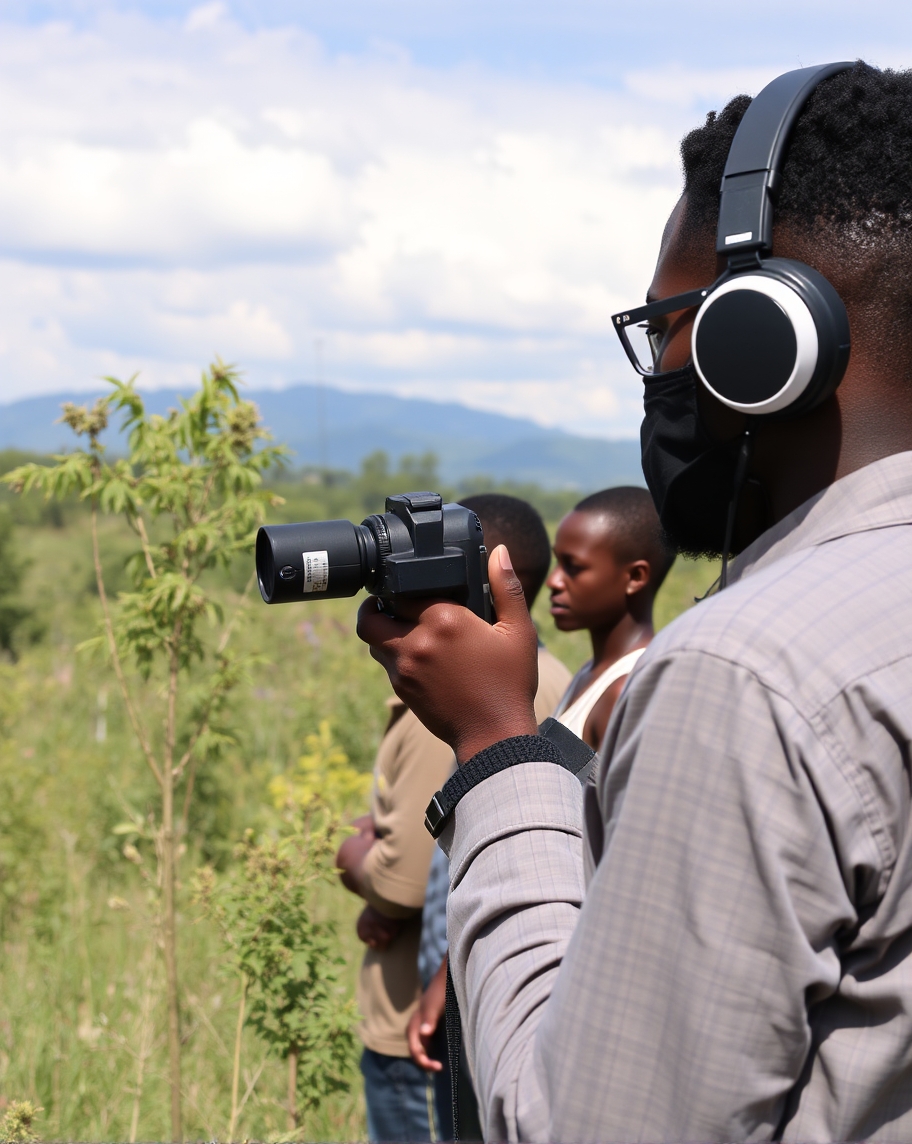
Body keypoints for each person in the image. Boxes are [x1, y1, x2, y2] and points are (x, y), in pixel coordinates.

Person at [357, 61, 912, 1141]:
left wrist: (497, 749)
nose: (659, 367)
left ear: (765, 336)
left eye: (669, 324)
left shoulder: (746, 679)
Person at [338, 492, 570, 1142]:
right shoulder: (542, 676)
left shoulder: (462, 696)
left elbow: (404, 881)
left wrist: (355, 859)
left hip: (424, 1020)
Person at [548, 487, 674, 749]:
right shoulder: (589, 672)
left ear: (636, 577)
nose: (554, 581)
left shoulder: (624, 690)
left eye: (573, 566)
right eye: (557, 562)